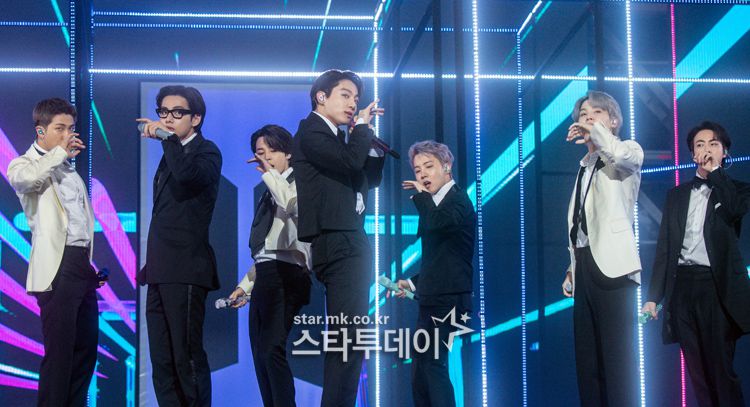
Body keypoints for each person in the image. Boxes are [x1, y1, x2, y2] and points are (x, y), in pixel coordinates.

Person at [291, 69, 385, 406]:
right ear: (321, 97)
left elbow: (367, 178)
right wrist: (360, 131)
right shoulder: (312, 131)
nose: (353, 103)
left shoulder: (336, 138)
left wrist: (369, 141)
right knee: (348, 340)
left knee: (351, 340)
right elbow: (349, 162)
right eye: (345, 95)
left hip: (349, 240)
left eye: (356, 98)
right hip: (338, 241)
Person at [642, 121, 750, 407]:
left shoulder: (737, 191)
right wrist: (653, 297)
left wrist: (716, 173)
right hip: (683, 289)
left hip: (716, 288)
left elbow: (734, 210)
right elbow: (665, 248)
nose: (706, 149)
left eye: (713, 144)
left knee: (721, 371)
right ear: (692, 154)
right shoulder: (676, 196)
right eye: (700, 145)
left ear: (725, 152)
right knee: (697, 373)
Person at [8, 97, 103, 407]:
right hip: (56, 267)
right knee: (60, 353)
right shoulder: (23, 164)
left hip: (80, 265)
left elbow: (79, 224)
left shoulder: (69, 171)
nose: (67, 135)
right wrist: (59, 152)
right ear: (41, 131)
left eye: (71, 128)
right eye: (59, 128)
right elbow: (25, 181)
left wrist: (88, 267)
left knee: (85, 350)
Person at [137, 85, 222, 406]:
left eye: (177, 112)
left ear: (195, 118)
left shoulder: (207, 151)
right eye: (163, 112)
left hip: (186, 266)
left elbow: (187, 177)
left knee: (186, 355)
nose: (168, 119)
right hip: (160, 268)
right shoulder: (170, 154)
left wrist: (167, 138)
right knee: (162, 359)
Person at [560, 90, 643, 407]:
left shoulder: (627, 150)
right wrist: (572, 268)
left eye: (596, 113)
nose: (588, 118)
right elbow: (585, 224)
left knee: (617, 364)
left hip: (614, 270)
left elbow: (620, 156)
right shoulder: (584, 167)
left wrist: (596, 132)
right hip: (585, 269)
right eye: (583, 114)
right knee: (588, 364)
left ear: (614, 121)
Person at [225, 124, 312, 407]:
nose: (267, 158)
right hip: (266, 274)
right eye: (260, 153)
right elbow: (265, 251)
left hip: (288, 275)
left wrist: (270, 174)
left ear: (288, 152)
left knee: (272, 349)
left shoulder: (299, 182)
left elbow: (291, 205)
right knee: (261, 354)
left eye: (272, 151)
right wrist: (245, 287)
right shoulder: (269, 189)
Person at [395, 141, 475, 407]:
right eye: (418, 170)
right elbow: (440, 259)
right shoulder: (435, 204)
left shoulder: (458, 200)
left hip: (449, 299)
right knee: (420, 370)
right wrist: (412, 283)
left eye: (429, 167)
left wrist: (421, 197)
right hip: (432, 296)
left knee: (432, 364)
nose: (423, 175)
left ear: (447, 166)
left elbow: (437, 223)